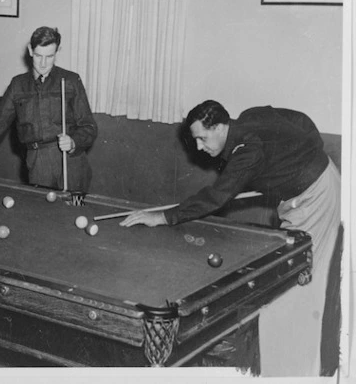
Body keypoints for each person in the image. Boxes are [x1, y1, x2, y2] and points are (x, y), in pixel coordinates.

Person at [120, 100, 340, 377]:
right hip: (303, 193)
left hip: (316, 196)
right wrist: (308, 151)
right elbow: (300, 119)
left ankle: (296, 373)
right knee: (288, 283)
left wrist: (164, 217)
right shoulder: (249, 116)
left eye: (202, 138)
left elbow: (217, 197)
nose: (199, 147)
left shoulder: (247, 152)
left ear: (220, 127)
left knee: (297, 285)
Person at [0, 26, 97, 192]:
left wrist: (73, 142)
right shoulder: (18, 85)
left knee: (76, 213)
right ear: (30, 50)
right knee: (41, 215)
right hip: (38, 163)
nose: (43, 63)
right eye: (38, 56)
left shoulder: (71, 80)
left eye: (49, 56)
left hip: (72, 162)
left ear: (57, 52)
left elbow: (89, 127)